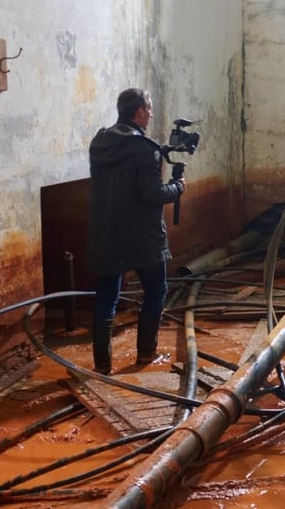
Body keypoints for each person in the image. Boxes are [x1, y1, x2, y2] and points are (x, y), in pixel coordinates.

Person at [86, 88, 186, 375]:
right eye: (149, 108)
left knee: (106, 300)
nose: (152, 113)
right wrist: (177, 188)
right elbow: (152, 194)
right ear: (139, 111)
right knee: (156, 291)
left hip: (105, 233)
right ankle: (145, 354)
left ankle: (102, 366)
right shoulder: (145, 149)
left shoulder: (100, 142)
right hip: (142, 237)